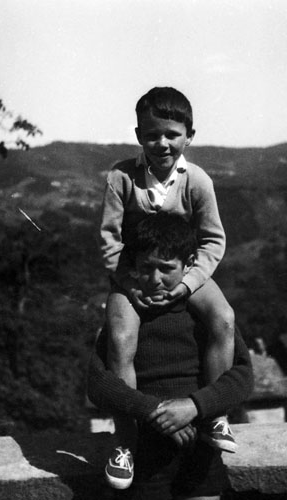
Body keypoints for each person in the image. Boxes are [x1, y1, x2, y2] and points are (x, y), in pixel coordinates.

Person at [99, 87, 236, 483]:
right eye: (152, 134)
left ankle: (214, 416)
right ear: (139, 135)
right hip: (134, 274)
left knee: (224, 319)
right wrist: (130, 284)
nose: (162, 143)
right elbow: (109, 238)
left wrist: (189, 283)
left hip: (184, 273)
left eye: (172, 135)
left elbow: (213, 240)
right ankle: (125, 441)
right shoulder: (121, 177)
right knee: (120, 336)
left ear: (189, 136)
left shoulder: (197, 181)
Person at [88, 213, 254, 499]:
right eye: (146, 267)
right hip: (145, 453)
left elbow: (242, 378)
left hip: (201, 448)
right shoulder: (125, 317)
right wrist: (154, 412)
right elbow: (99, 384)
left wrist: (194, 406)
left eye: (166, 269)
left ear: (189, 264)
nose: (155, 279)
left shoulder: (205, 314)